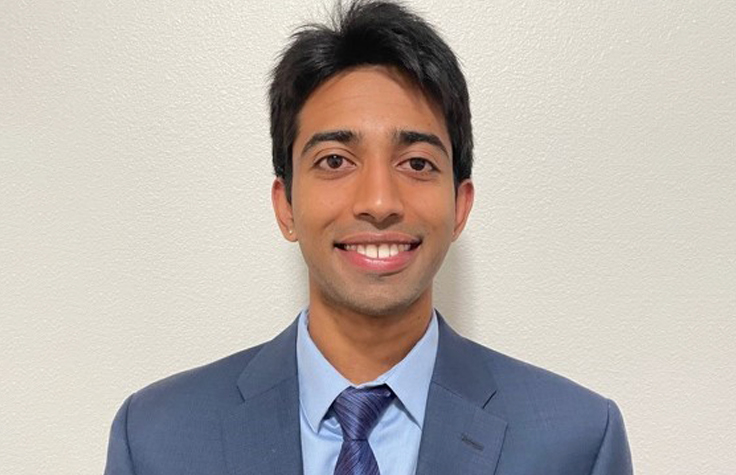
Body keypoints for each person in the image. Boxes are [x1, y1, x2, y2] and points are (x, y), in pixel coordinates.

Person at [104, 1, 633, 473]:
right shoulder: (156, 439)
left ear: (460, 206)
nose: (379, 202)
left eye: (417, 163)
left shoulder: (577, 442)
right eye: (335, 161)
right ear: (285, 206)